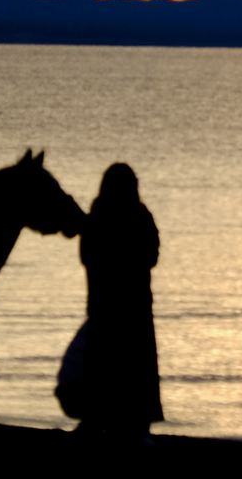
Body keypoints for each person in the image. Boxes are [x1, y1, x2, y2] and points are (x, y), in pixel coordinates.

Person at [56, 162, 163, 442]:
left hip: (105, 306)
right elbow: (151, 256)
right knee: (134, 369)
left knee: (101, 365)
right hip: (132, 308)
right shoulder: (139, 215)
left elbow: (87, 257)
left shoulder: (98, 216)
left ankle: (96, 420)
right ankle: (133, 425)